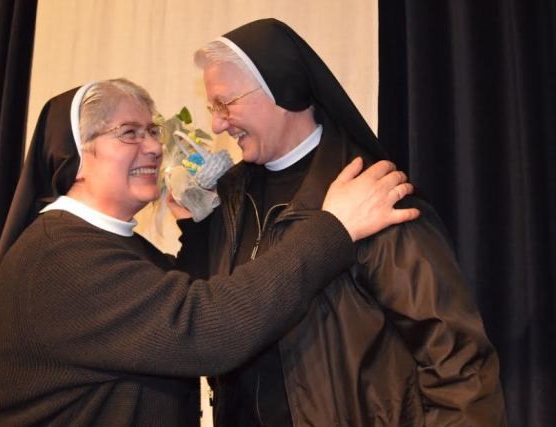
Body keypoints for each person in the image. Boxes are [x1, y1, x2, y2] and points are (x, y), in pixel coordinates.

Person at [0, 78, 417, 426]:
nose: (154, 146)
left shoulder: (107, 243)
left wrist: (199, 229)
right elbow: (205, 329)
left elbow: (181, 301)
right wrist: (333, 228)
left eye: (152, 130)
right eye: (129, 133)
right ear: (75, 157)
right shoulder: (58, 257)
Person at [191, 18, 507, 426]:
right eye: (213, 107)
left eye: (225, 104)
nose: (217, 124)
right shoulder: (233, 198)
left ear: (283, 87)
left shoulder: (373, 194)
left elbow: (457, 362)